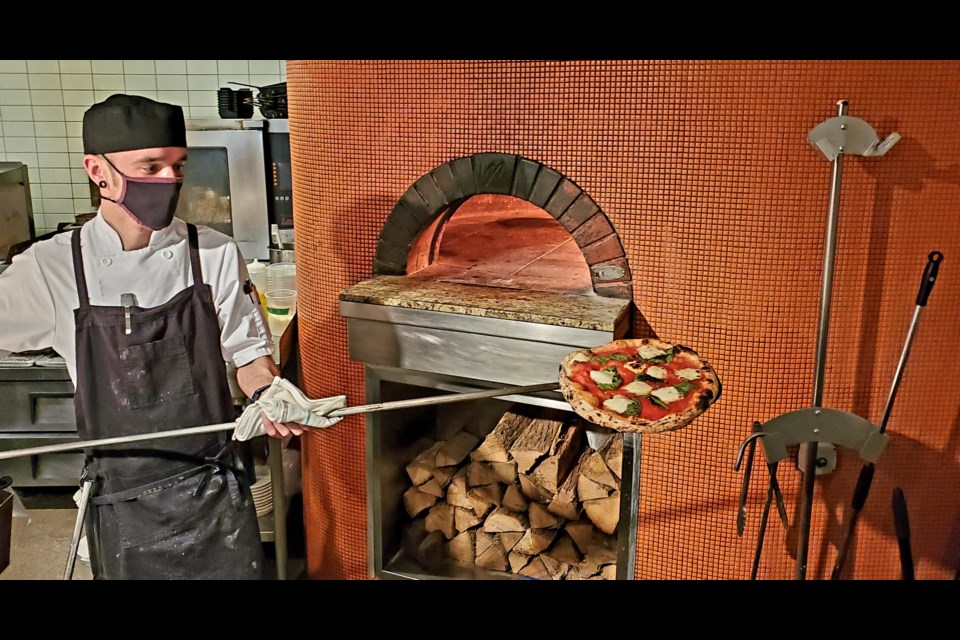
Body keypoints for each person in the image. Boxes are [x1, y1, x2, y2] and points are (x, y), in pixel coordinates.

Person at [0, 94, 342, 579]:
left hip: (213, 491)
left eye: (177, 165)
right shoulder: (55, 267)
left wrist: (270, 392)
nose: (170, 180)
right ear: (98, 170)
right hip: (123, 501)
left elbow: (249, 356)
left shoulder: (214, 254)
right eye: (150, 166)